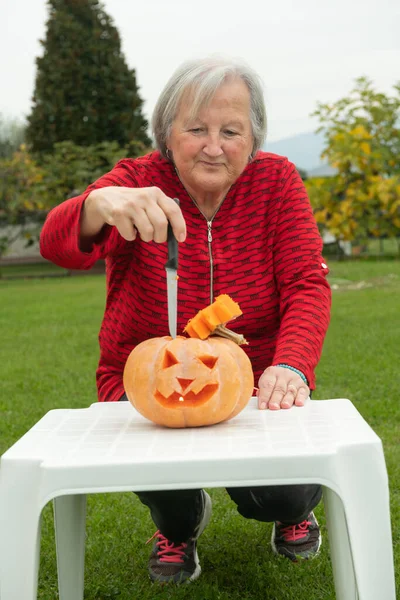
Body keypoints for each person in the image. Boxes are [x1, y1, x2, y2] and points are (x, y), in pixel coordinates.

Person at [40, 56, 331, 584]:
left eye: (231, 130)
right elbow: (59, 246)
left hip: (256, 377)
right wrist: (97, 204)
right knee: (164, 483)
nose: (213, 145)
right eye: (196, 128)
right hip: (146, 377)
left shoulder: (278, 182)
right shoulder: (135, 181)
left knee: (278, 490)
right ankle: (178, 524)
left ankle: (292, 510)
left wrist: (290, 364)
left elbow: (307, 285)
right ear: (167, 134)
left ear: (254, 137)